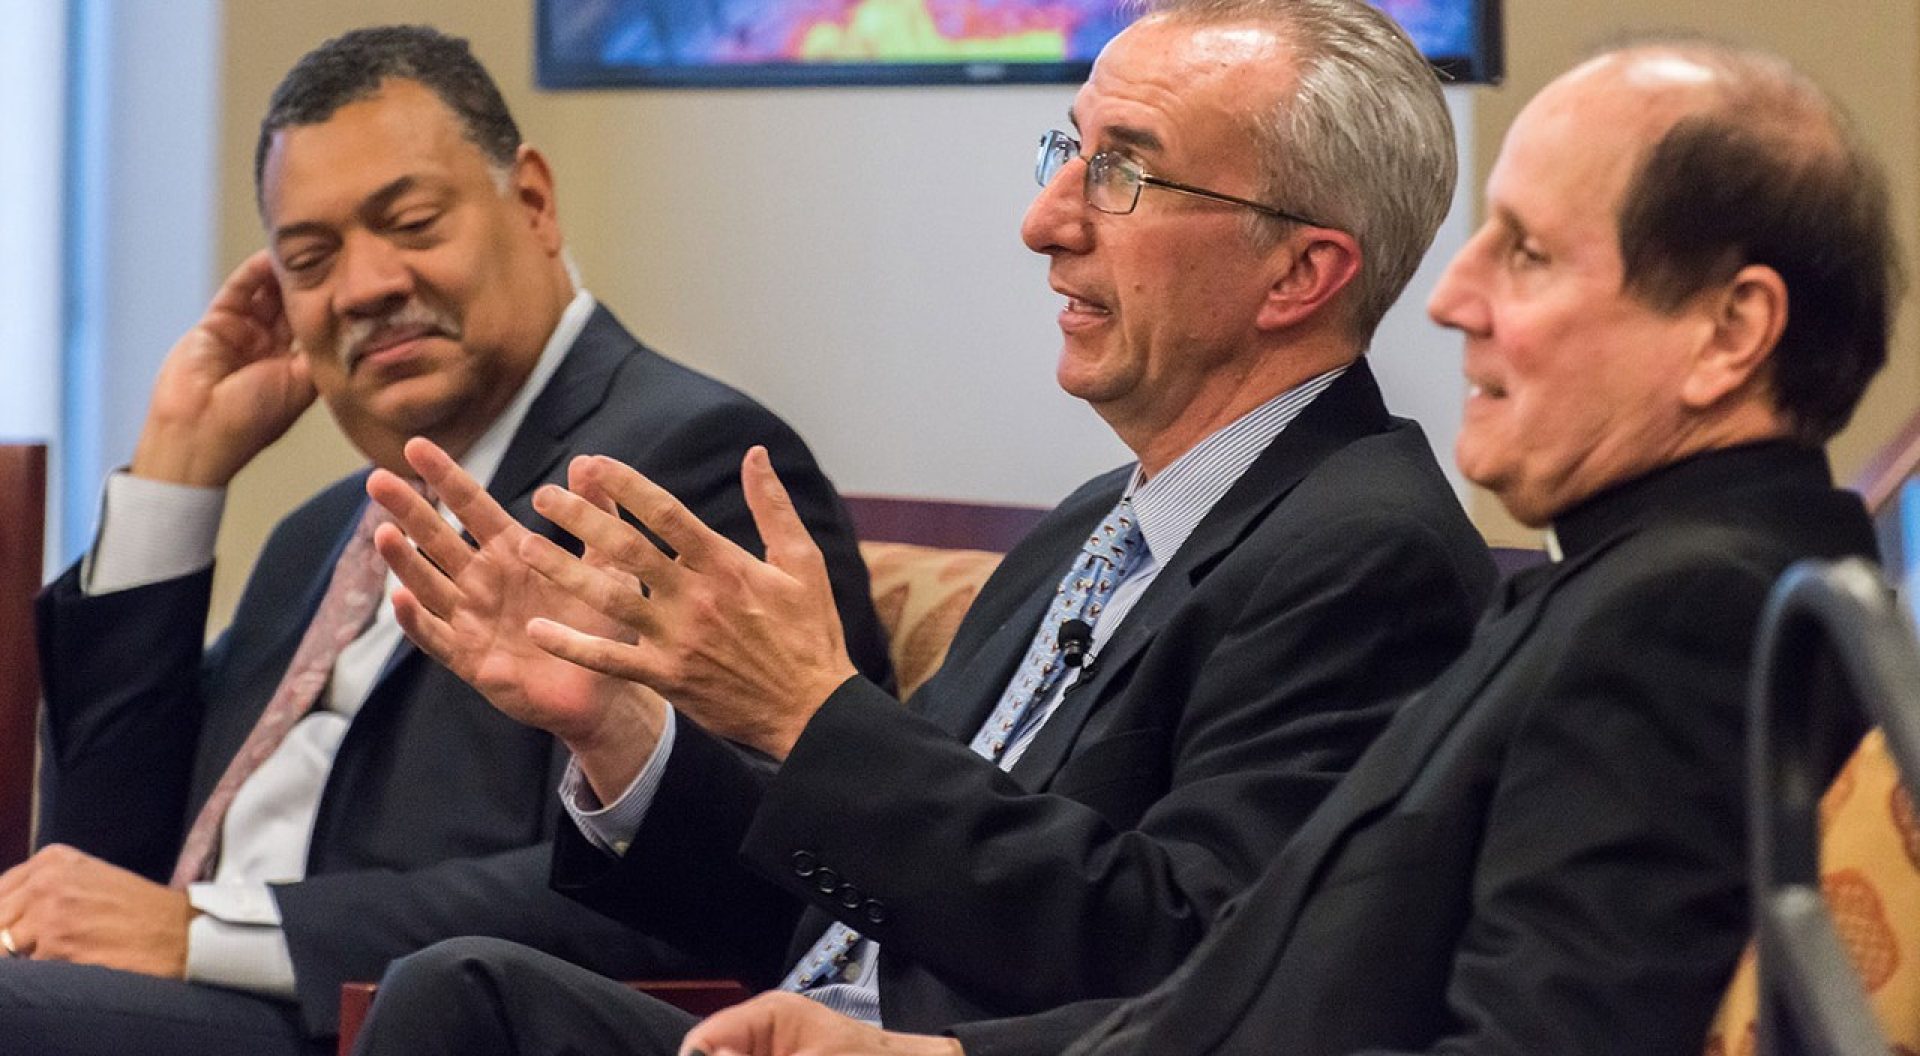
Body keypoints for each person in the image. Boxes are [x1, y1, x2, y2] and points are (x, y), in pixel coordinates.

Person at [676, 35, 1900, 1056]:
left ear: (1731, 331)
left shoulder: (1688, 610)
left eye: (1523, 252)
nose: (1450, 298)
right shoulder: (1639, 574)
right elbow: (1275, 993)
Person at [348, 2, 1495, 1054]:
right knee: (463, 995)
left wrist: (810, 714)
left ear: (1299, 271)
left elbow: (1197, 954)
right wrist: (623, 736)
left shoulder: (1365, 553)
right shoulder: (1095, 526)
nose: (1046, 223)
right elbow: (855, 891)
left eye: (1125, 176)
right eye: (1070, 154)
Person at [8, 24, 889, 1056]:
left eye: (412, 222)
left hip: (383, 1025)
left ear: (533, 203)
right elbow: (95, 867)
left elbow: (726, 875)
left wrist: (210, 934)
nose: (367, 284)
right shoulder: (314, 539)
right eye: (310, 257)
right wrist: (174, 475)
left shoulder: (668, 465)